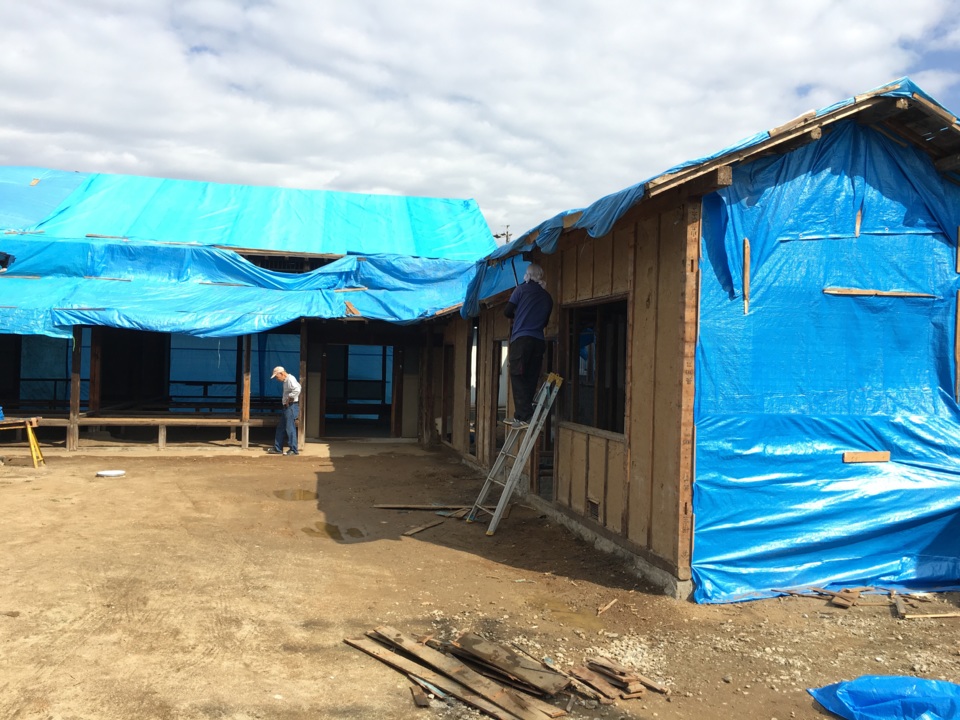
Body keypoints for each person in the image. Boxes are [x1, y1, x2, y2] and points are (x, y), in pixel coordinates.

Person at [504, 263, 553, 425]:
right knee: (531, 377)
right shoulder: (547, 297)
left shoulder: (521, 290)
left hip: (521, 340)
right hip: (538, 340)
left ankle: (525, 415)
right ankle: (521, 415)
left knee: (517, 375)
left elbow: (507, 312)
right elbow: (545, 322)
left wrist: (518, 313)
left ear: (527, 275)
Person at [268, 366, 301, 455]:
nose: (277, 379)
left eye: (277, 376)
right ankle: (278, 448)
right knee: (281, 427)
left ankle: (293, 449)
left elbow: (297, 389)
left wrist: (289, 398)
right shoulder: (287, 380)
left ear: (282, 373)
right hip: (287, 406)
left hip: (291, 406)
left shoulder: (290, 379)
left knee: (290, 428)